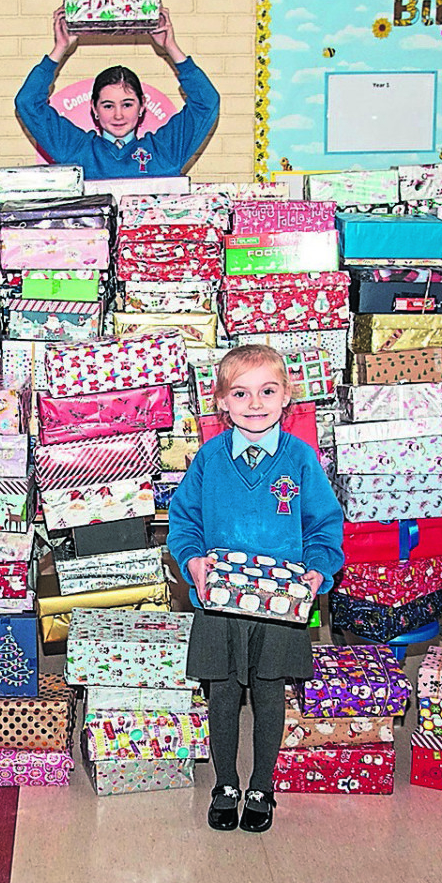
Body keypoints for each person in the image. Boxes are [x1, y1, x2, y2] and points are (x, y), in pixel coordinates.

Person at [168, 346, 343, 834]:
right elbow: (184, 523)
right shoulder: (209, 459)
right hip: (220, 605)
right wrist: (192, 561)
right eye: (240, 393)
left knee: (270, 694)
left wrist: (316, 572)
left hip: (281, 605)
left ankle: (262, 784)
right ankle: (225, 783)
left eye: (268, 391)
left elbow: (326, 525)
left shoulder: (301, 459)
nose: (255, 403)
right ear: (221, 401)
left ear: (286, 396)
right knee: (221, 694)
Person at [15, 8, 218, 178]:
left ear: (142, 106)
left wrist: (171, 47)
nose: (118, 115)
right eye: (108, 106)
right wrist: (60, 49)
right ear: (94, 108)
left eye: (127, 104)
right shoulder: (75, 150)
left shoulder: (166, 151)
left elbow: (207, 102)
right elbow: (28, 102)